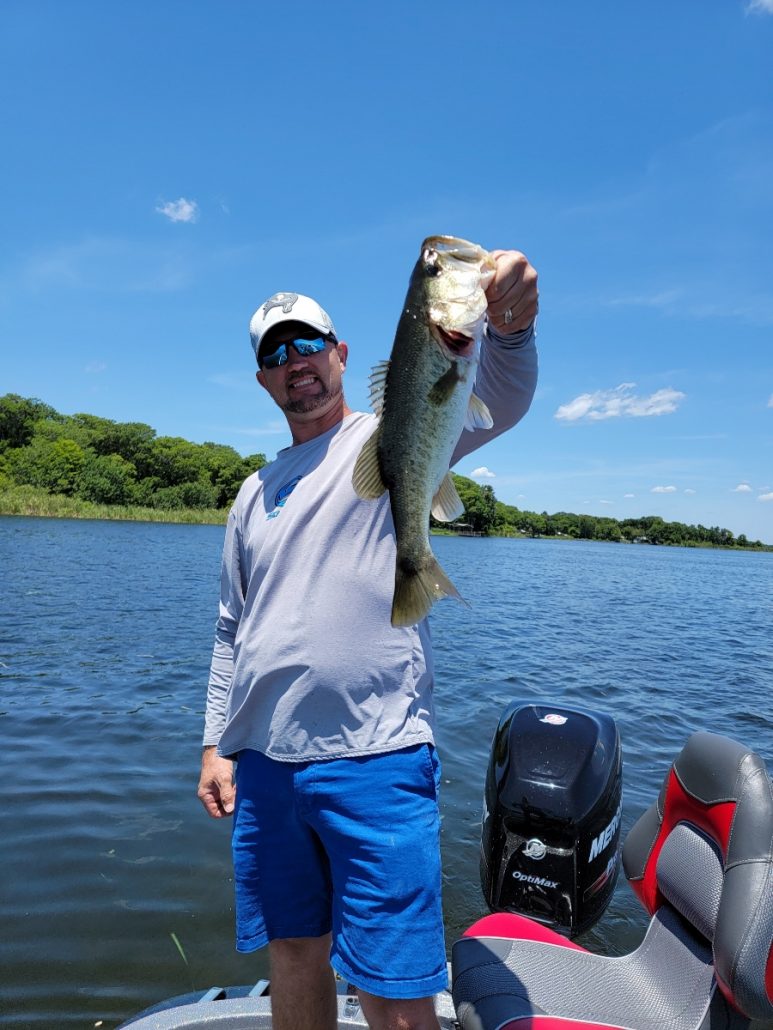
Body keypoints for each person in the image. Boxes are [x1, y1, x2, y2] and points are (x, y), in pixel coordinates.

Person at [198, 247, 539, 1030]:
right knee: (292, 953)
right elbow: (229, 631)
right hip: (268, 768)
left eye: (307, 343)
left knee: (393, 981)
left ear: (340, 354)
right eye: (275, 354)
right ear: (262, 380)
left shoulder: (388, 435)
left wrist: (512, 327)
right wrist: (216, 746)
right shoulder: (252, 494)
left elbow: (502, 395)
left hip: (376, 757)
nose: (295, 363)